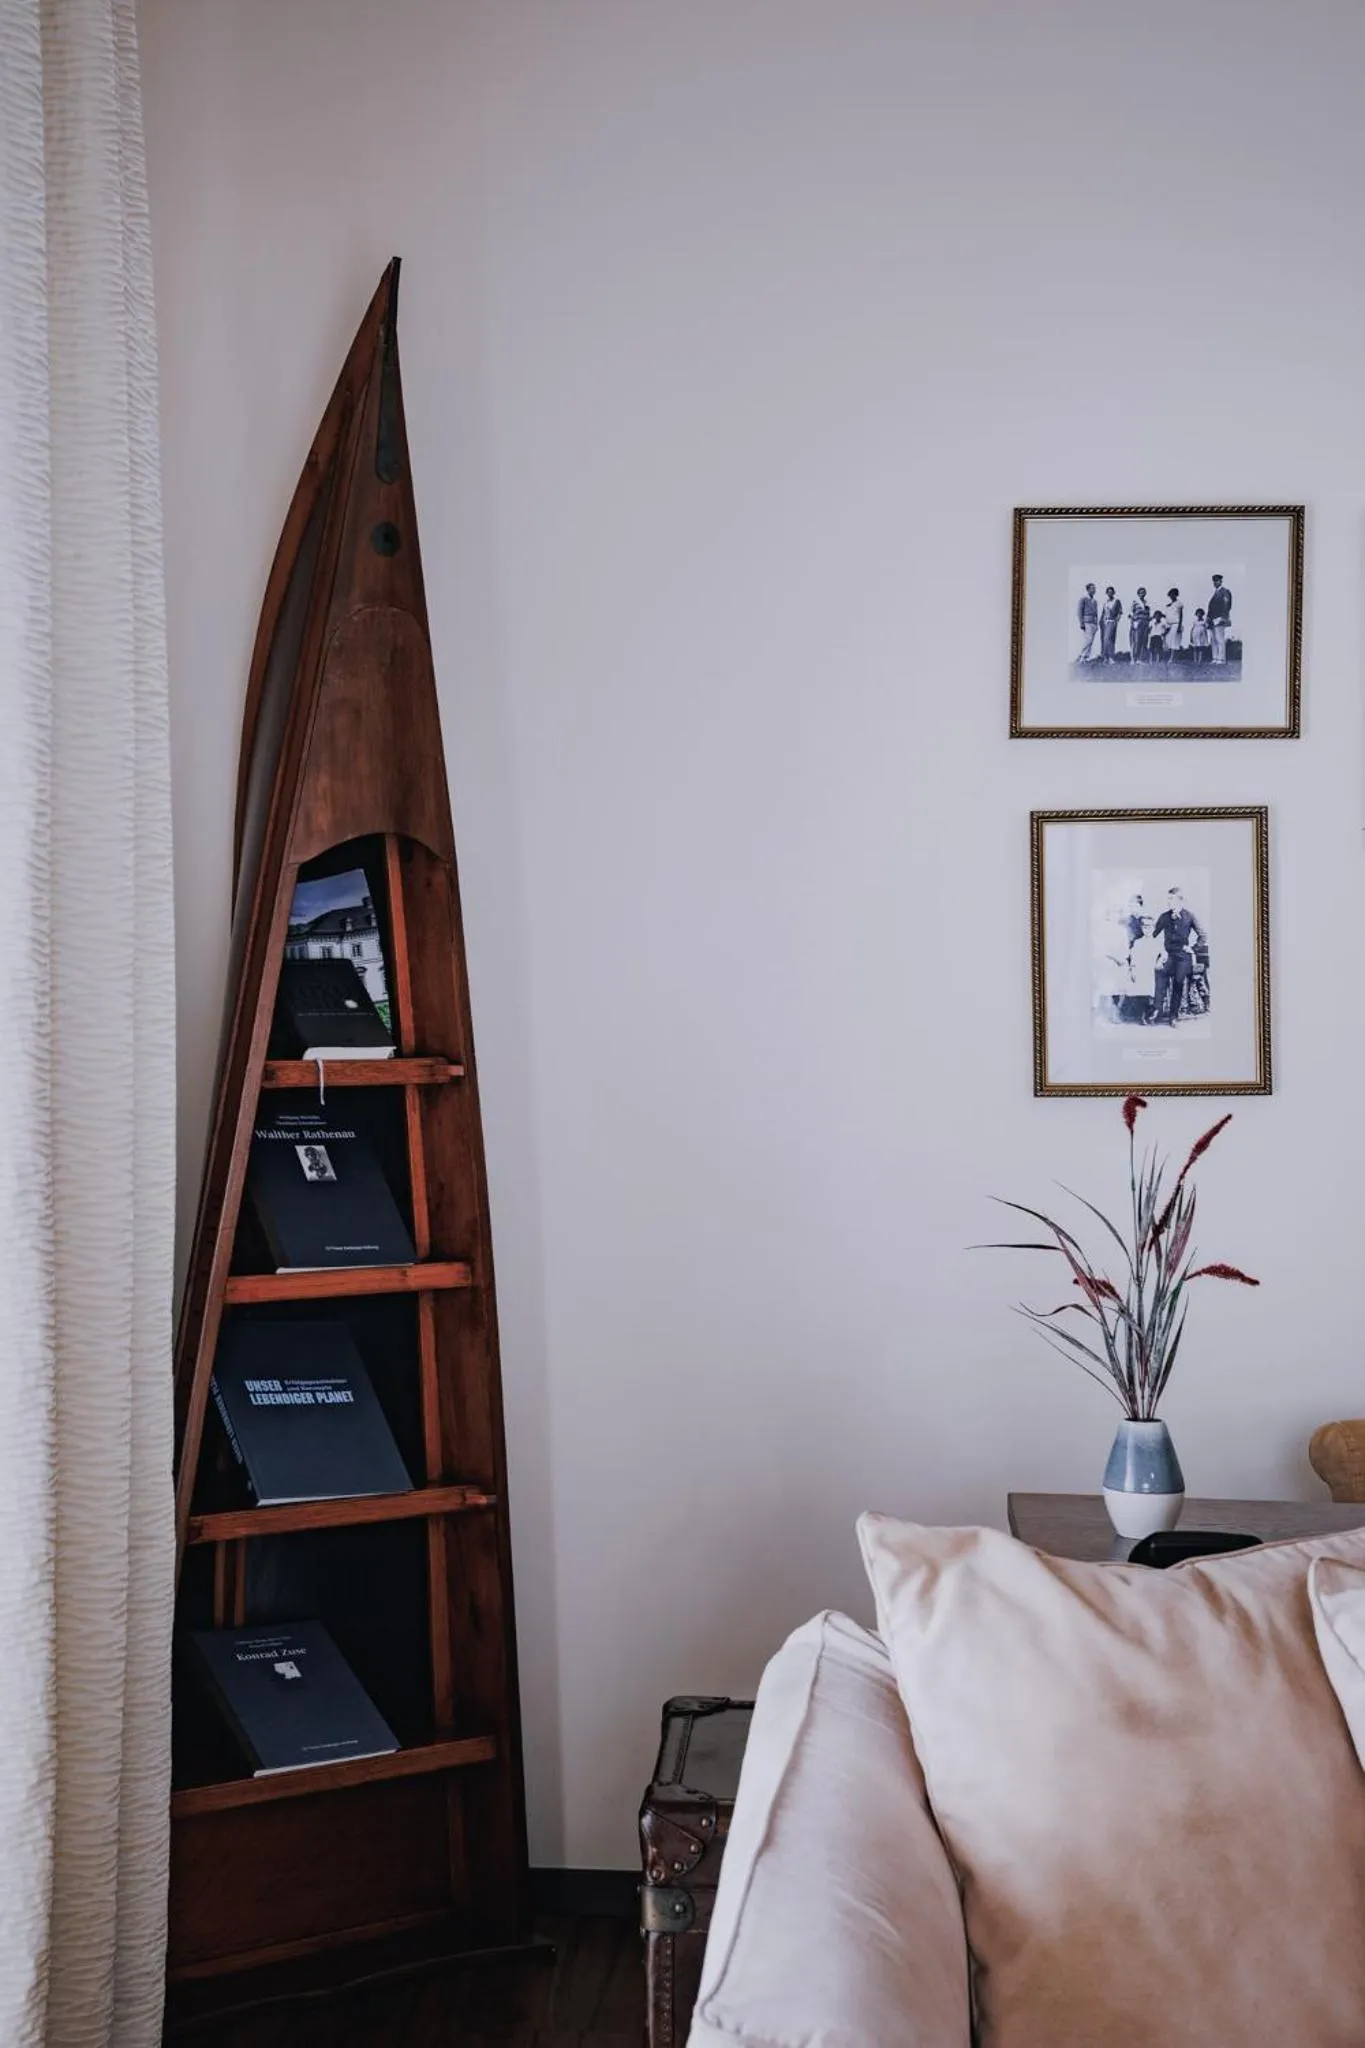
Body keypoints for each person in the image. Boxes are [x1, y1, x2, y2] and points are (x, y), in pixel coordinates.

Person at [1152, 887, 1207, 1025]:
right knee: (1160, 974)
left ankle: (1173, 1016)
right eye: (1168, 899)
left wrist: (1193, 948)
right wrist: (1161, 952)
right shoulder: (1164, 917)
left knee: (1178, 982)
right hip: (1168, 955)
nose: (1168, 902)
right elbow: (1153, 935)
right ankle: (1157, 1011)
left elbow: (1203, 936)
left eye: (1171, 899)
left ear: (1180, 900)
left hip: (1183, 957)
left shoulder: (1189, 916)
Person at [1128, 915, 1164, 1024]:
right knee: (1141, 993)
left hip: (1150, 971)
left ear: (1153, 928)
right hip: (1140, 970)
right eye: (1144, 927)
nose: (1147, 929)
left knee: (1151, 994)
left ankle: (1150, 1015)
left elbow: (1164, 954)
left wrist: (1159, 961)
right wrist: (1133, 970)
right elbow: (1133, 957)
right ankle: (1142, 1015)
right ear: (1142, 928)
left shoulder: (1156, 942)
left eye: (1149, 927)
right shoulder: (1138, 942)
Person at [1207, 573, 1233, 665]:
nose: (1215, 583)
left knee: (1220, 639)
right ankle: (1215, 658)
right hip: (1212, 619)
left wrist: (1223, 617)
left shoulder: (1225, 591)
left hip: (1219, 618)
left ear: (1221, 581)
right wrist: (1208, 618)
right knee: (1213, 639)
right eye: (1214, 581)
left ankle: (1221, 659)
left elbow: (1227, 605)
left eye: (1217, 581)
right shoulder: (1215, 593)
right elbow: (1211, 607)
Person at [1076, 583, 1099, 665]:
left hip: (1093, 623)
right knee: (1088, 640)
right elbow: (1079, 611)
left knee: (1091, 641)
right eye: (1092, 588)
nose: (1094, 590)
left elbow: (1096, 613)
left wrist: (1096, 624)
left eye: (1094, 589)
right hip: (1086, 622)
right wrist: (1081, 623)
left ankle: (1086, 657)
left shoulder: (1095, 601)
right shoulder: (1083, 599)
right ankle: (1082, 656)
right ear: (1088, 589)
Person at [1129, 587, 1151, 665]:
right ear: (1138, 594)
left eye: (1144, 592)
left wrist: (1148, 624)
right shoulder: (1135, 602)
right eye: (1141, 592)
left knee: (1144, 641)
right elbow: (1131, 614)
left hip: (1145, 623)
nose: (1142, 594)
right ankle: (1133, 659)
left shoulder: (1147, 603)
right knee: (1136, 641)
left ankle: (1140, 659)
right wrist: (1133, 623)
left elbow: (1148, 615)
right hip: (1137, 623)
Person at [1100, 586, 1122, 664]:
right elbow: (1103, 613)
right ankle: (1106, 658)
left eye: (1111, 591)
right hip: (1104, 622)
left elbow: (1120, 612)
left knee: (1109, 639)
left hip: (1112, 621)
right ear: (1106, 593)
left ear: (1113, 592)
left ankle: (1110, 657)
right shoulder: (1105, 602)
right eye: (1108, 592)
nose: (1110, 593)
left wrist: (1116, 621)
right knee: (1106, 639)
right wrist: (1101, 622)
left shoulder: (1117, 601)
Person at [1163, 587, 1184, 663]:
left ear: (1176, 595)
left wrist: (1179, 627)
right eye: (1170, 595)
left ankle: (1172, 659)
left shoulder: (1179, 603)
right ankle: (1170, 658)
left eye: (1173, 594)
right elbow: (1168, 616)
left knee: (1175, 642)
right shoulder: (1169, 605)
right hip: (1169, 625)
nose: (1171, 596)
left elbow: (1181, 616)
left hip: (1176, 624)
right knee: (1168, 641)